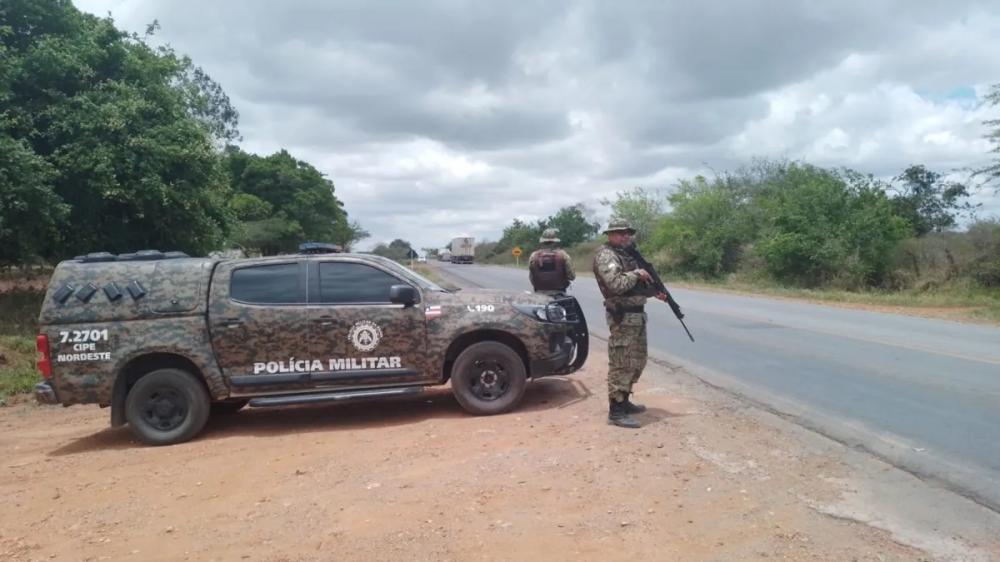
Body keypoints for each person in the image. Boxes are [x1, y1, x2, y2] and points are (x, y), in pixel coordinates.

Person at [592, 218, 667, 428]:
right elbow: (616, 284)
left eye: (627, 233)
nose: (625, 236)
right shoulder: (606, 255)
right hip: (622, 317)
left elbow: (634, 288)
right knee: (621, 362)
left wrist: (654, 292)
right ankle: (616, 411)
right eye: (620, 232)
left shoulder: (627, 254)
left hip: (636, 316)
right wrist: (636, 274)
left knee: (637, 360)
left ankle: (624, 401)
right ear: (610, 234)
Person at [528, 228, 575, 296]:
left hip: (539, 293)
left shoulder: (533, 256)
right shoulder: (564, 255)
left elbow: (531, 277)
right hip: (559, 293)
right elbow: (572, 277)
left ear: (542, 242)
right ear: (555, 242)